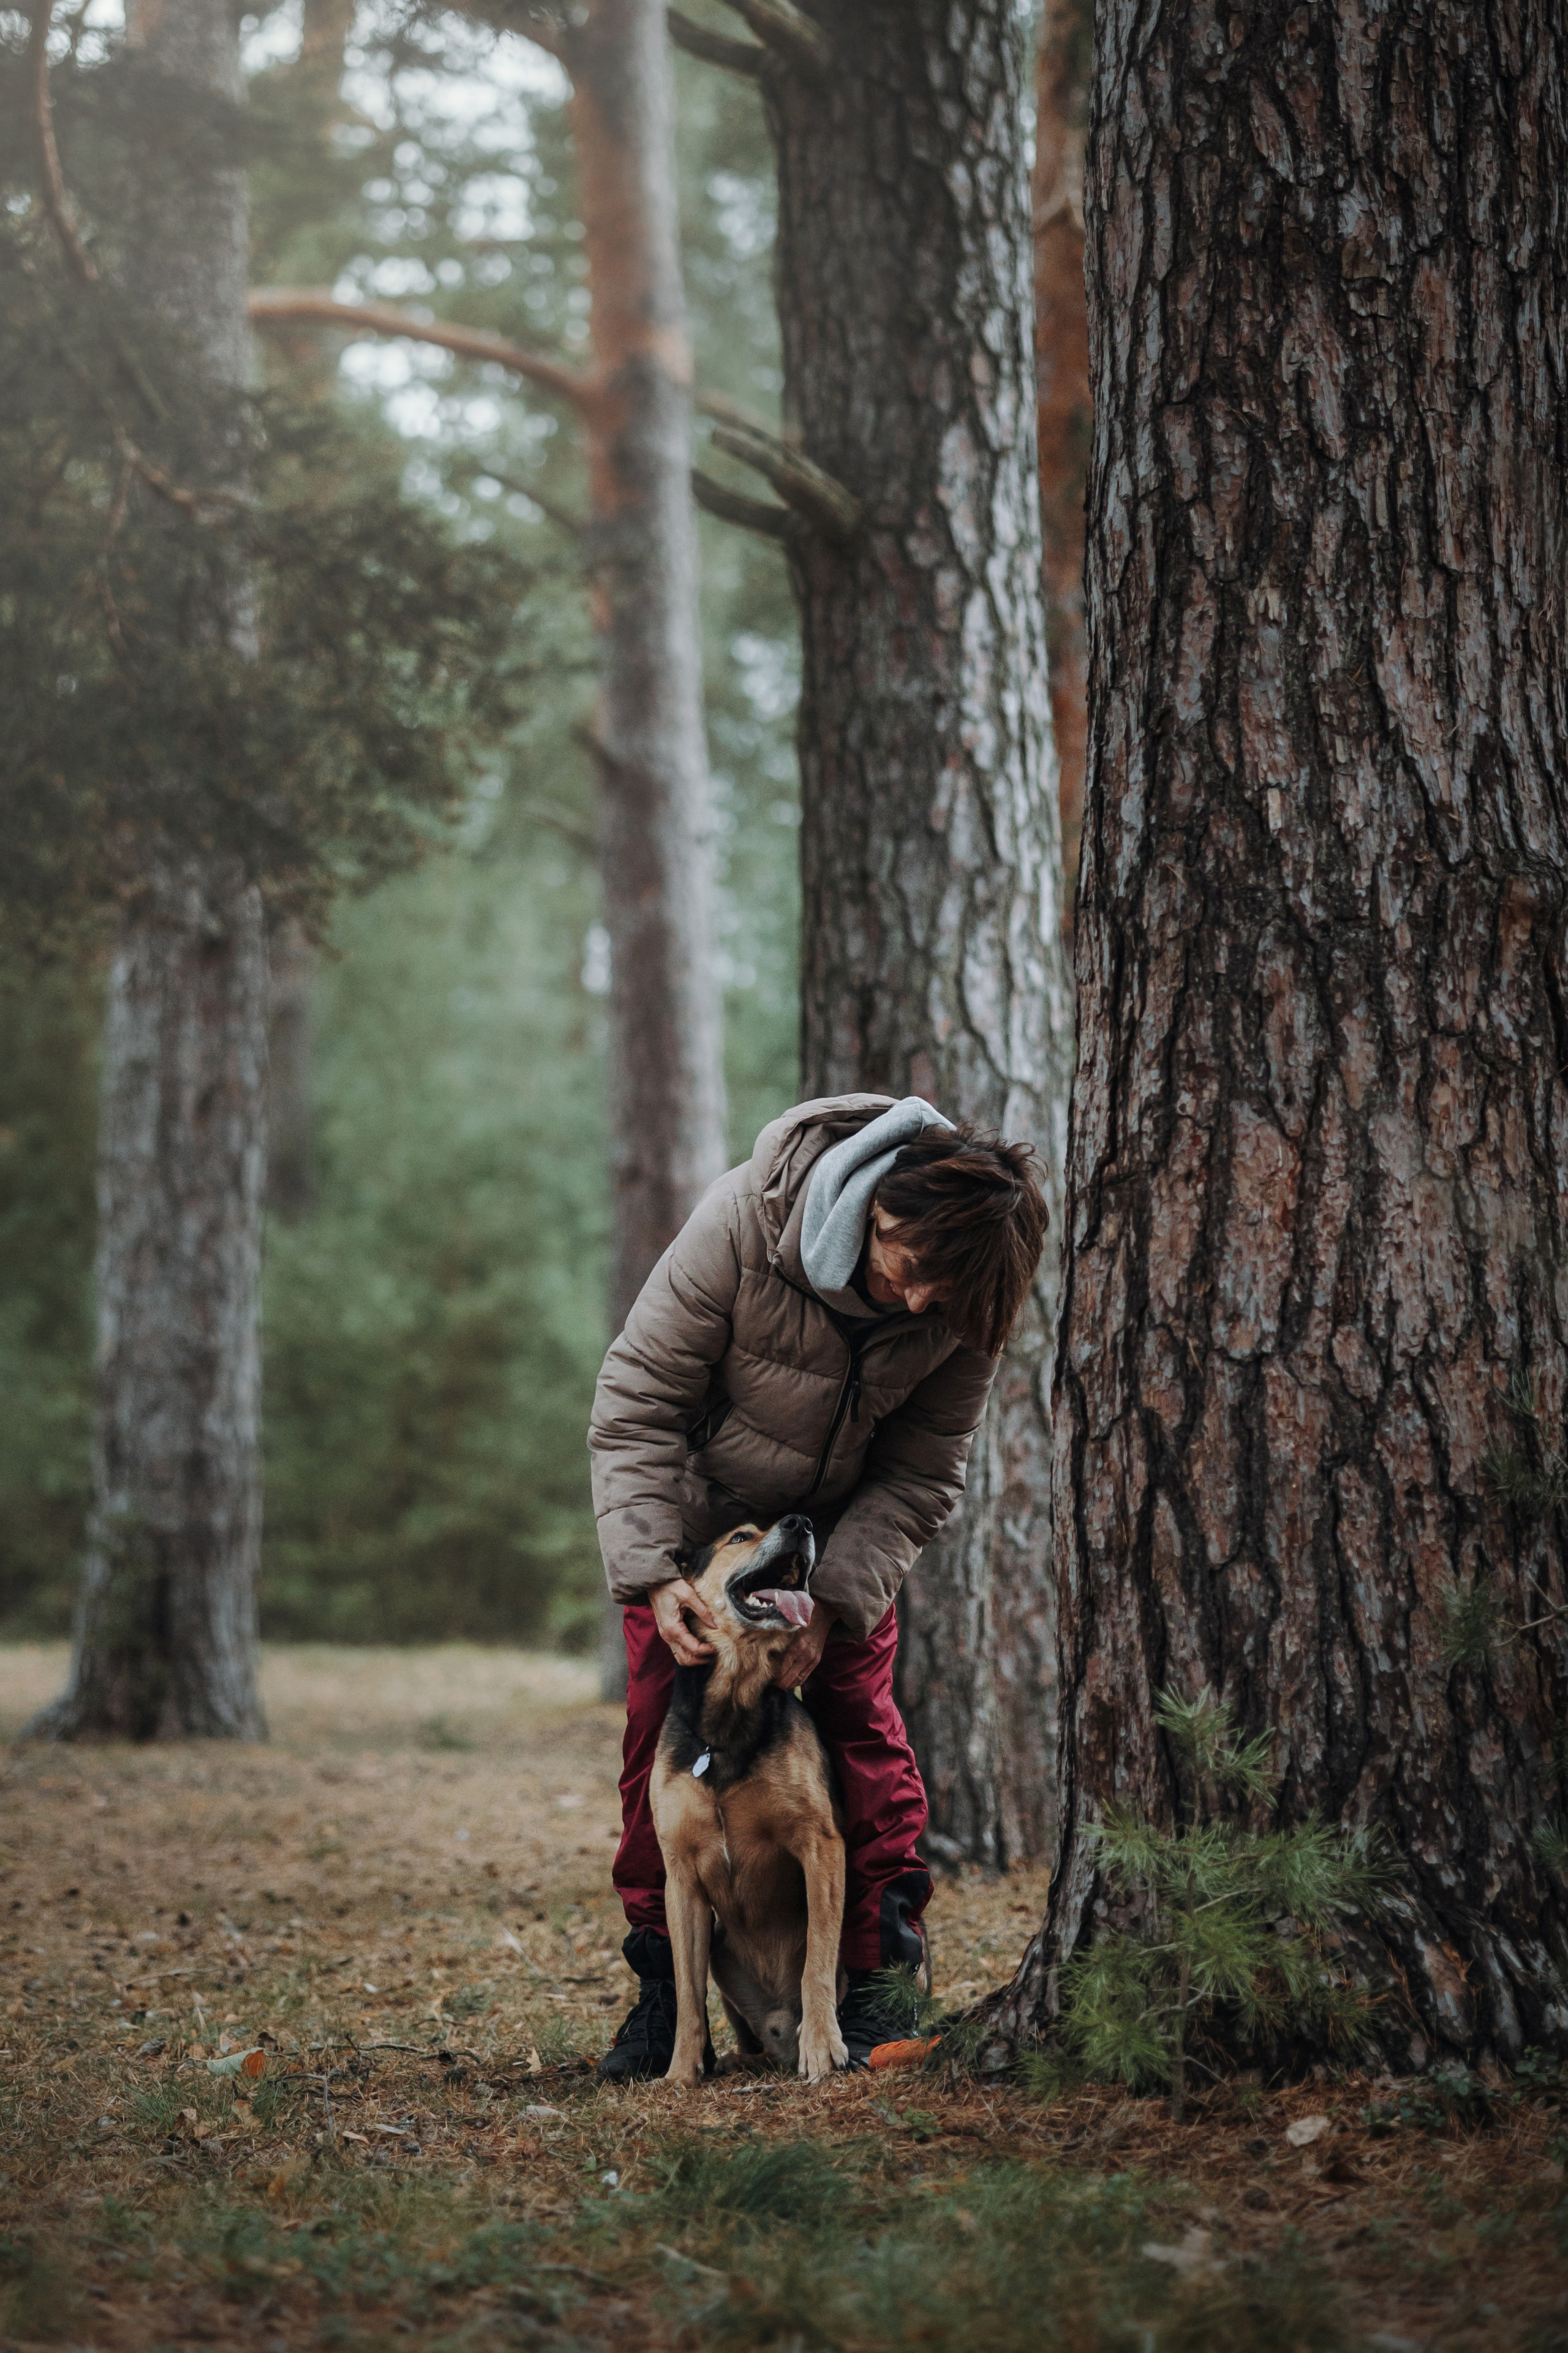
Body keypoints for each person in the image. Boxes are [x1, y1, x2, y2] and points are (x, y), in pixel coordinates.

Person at [588, 1093, 1049, 2080]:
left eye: (947, 1294)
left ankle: (880, 1983)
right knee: (653, 1757)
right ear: (880, 1208)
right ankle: (664, 1992)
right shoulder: (743, 1222)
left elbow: (921, 1473)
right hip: (702, 1541)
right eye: (912, 1269)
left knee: (871, 1751)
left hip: (832, 1551)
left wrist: (836, 1598)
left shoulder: (965, 1301)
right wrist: (654, 1575)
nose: (921, 1303)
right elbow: (636, 1402)